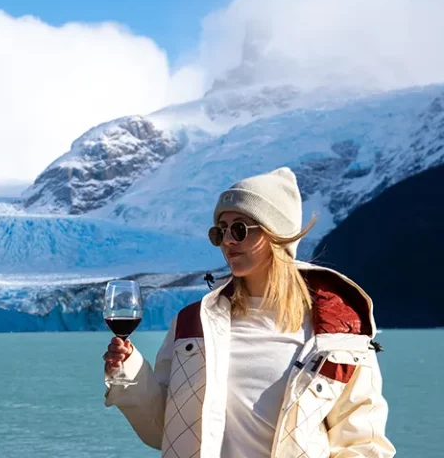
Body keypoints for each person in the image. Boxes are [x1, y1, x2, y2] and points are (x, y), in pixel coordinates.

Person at [102, 167, 395, 458]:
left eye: (240, 229)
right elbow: (164, 430)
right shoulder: (193, 324)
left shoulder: (339, 333)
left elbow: (363, 445)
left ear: (276, 235)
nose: (228, 240)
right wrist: (130, 372)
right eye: (220, 231)